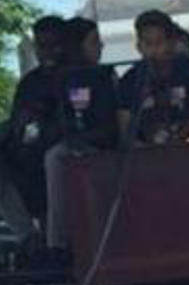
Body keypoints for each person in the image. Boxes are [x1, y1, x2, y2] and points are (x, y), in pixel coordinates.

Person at [0, 15, 67, 251]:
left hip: (64, 155)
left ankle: (56, 244)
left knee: (54, 158)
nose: (47, 52)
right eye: (41, 46)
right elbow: (18, 122)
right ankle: (28, 237)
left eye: (53, 45)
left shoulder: (76, 75)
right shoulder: (29, 84)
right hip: (28, 158)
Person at [45, 17, 118, 251]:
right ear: (77, 45)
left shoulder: (107, 75)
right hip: (73, 145)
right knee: (56, 157)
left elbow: (115, 117)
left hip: (108, 146)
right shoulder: (59, 77)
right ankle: (58, 243)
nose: (101, 46)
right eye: (95, 41)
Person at [118, 10, 189, 147]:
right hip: (148, 160)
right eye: (148, 44)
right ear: (138, 46)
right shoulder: (129, 81)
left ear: (171, 43)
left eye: (159, 43)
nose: (153, 50)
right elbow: (126, 135)